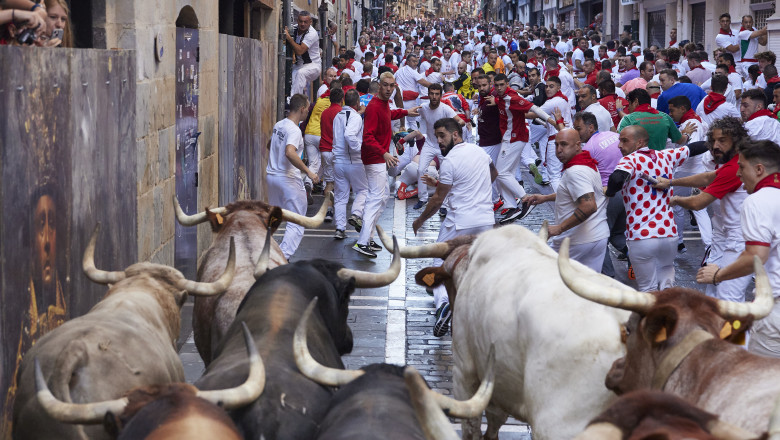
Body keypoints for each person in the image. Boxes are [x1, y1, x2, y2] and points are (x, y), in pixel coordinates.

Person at [412, 117, 497, 337]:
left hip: (459, 223)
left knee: (439, 266)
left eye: (442, 136)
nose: (439, 140)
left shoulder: (449, 161)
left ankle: (443, 306)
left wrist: (420, 220)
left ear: (456, 135)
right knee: (482, 267)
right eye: (437, 136)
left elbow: (438, 200)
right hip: (486, 221)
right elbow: (493, 174)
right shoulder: (479, 152)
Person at [696, 140, 780, 358]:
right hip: (731, 247)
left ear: (759, 169)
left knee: (760, 383)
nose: (739, 174)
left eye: (742, 167)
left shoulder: (758, 200)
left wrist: (718, 275)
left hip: (773, 307)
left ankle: (731, 356)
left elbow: (756, 255)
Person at [652, 117, 750, 302]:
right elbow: (707, 177)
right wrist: (671, 182)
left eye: (722, 140)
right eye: (713, 141)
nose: (715, 145)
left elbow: (698, 203)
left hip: (739, 237)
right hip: (723, 234)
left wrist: (676, 199)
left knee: (730, 296)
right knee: (711, 287)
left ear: (737, 141)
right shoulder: (731, 163)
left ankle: (737, 330)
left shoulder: (736, 167)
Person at [606, 125, 707, 291]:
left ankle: (654, 316)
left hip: (641, 236)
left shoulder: (630, 160)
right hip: (668, 235)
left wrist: (610, 192)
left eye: (624, 141)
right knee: (666, 284)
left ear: (639, 143)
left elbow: (616, 179)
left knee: (648, 289)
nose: (619, 145)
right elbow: (694, 148)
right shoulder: (666, 155)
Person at [523, 129, 609, 272]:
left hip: (576, 240)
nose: (559, 150)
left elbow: (588, 205)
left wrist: (559, 228)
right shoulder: (587, 162)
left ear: (577, 145)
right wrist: (545, 198)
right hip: (598, 237)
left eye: (564, 144)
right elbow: (575, 194)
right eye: (556, 145)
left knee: (544, 276)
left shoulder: (575, 171)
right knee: (587, 288)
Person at [354, 72, 419, 257]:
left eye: (392, 86)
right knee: (376, 199)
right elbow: (367, 137)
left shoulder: (383, 104)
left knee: (381, 198)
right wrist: (384, 153)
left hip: (378, 159)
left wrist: (406, 111)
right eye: (386, 85)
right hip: (374, 159)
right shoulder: (374, 106)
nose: (389, 89)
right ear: (379, 85)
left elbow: (389, 114)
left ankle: (367, 239)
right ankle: (362, 242)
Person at [572, 112, 627, 278]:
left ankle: (607, 276)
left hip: (608, 196)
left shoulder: (589, 148)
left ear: (590, 127)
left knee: (599, 237)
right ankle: (634, 261)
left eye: (578, 128)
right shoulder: (614, 135)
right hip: (628, 194)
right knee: (618, 234)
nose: (576, 133)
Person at [266, 94, 320, 260]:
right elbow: (290, 152)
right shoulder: (294, 130)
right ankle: (282, 257)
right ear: (302, 109)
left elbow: (270, 144)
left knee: (273, 218)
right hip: (288, 179)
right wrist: (309, 172)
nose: (307, 113)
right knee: (297, 220)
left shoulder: (279, 124)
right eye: (308, 110)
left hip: (272, 177)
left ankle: (266, 252)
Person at [666, 95, 711, 254]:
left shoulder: (692, 123)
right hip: (693, 171)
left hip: (687, 172)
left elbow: (692, 149)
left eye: (672, 110)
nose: (670, 114)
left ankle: (682, 242)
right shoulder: (695, 120)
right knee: (693, 208)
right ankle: (684, 242)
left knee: (679, 206)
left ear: (682, 109)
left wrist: (675, 147)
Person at [414, 83, 461, 212]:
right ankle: (422, 198)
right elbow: (411, 114)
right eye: (432, 94)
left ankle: (445, 205)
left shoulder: (445, 108)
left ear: (440, 95)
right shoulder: (423, 107)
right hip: (429, 144)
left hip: (443, 145)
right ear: (428, 94)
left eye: (437, 94)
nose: (434, 97)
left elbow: (459, 120)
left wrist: (455, 130)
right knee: (420, 170)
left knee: (446, 174)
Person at [332, 89, 368, 240]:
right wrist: (358, 149)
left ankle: (340, 228)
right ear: (358, 103)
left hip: (338, 161)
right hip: (353, 160)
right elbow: (349, 135)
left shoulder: (337, 116)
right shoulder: (355, 117)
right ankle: (356, 213)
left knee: (340, 196)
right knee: (363, 190)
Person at [618, 88, 691, 151]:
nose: (628, 108)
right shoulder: (665, 117)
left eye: (630, 104)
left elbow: (619, 143)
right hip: (659, 163)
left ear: (636, 102)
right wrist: (686, 134)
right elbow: (680, 140)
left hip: (637, 163)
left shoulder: (628, 119)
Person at [537, 76, 572, 193]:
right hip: (567, 138)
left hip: (556, 140)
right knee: (564, 173)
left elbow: (533, 113)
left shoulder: (553, 102)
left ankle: (561, 202)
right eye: (546, 86)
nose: (547, 89)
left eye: (551, 86)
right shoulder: (562, 99)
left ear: (558, 88)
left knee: (554, 175)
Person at [318, 87, 344, 221]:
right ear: (342, 100)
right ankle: (338, 211)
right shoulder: (341, 113)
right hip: (337, 152)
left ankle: (328, 210)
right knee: (340, 183)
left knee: (329, 182)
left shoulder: (324, 113)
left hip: (325, 150)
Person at [285, 11, 321, 96]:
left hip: (313, 66)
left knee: (301, 73)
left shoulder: (312, 34)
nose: (303, 24)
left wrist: (289, 38)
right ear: (297, 21)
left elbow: (300, 51)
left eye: (305, 22)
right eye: (301, 21)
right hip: (299, 65)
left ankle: (294, 102)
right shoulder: (294, 28)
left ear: (310, 22)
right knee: (289, 76)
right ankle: (288, 99)